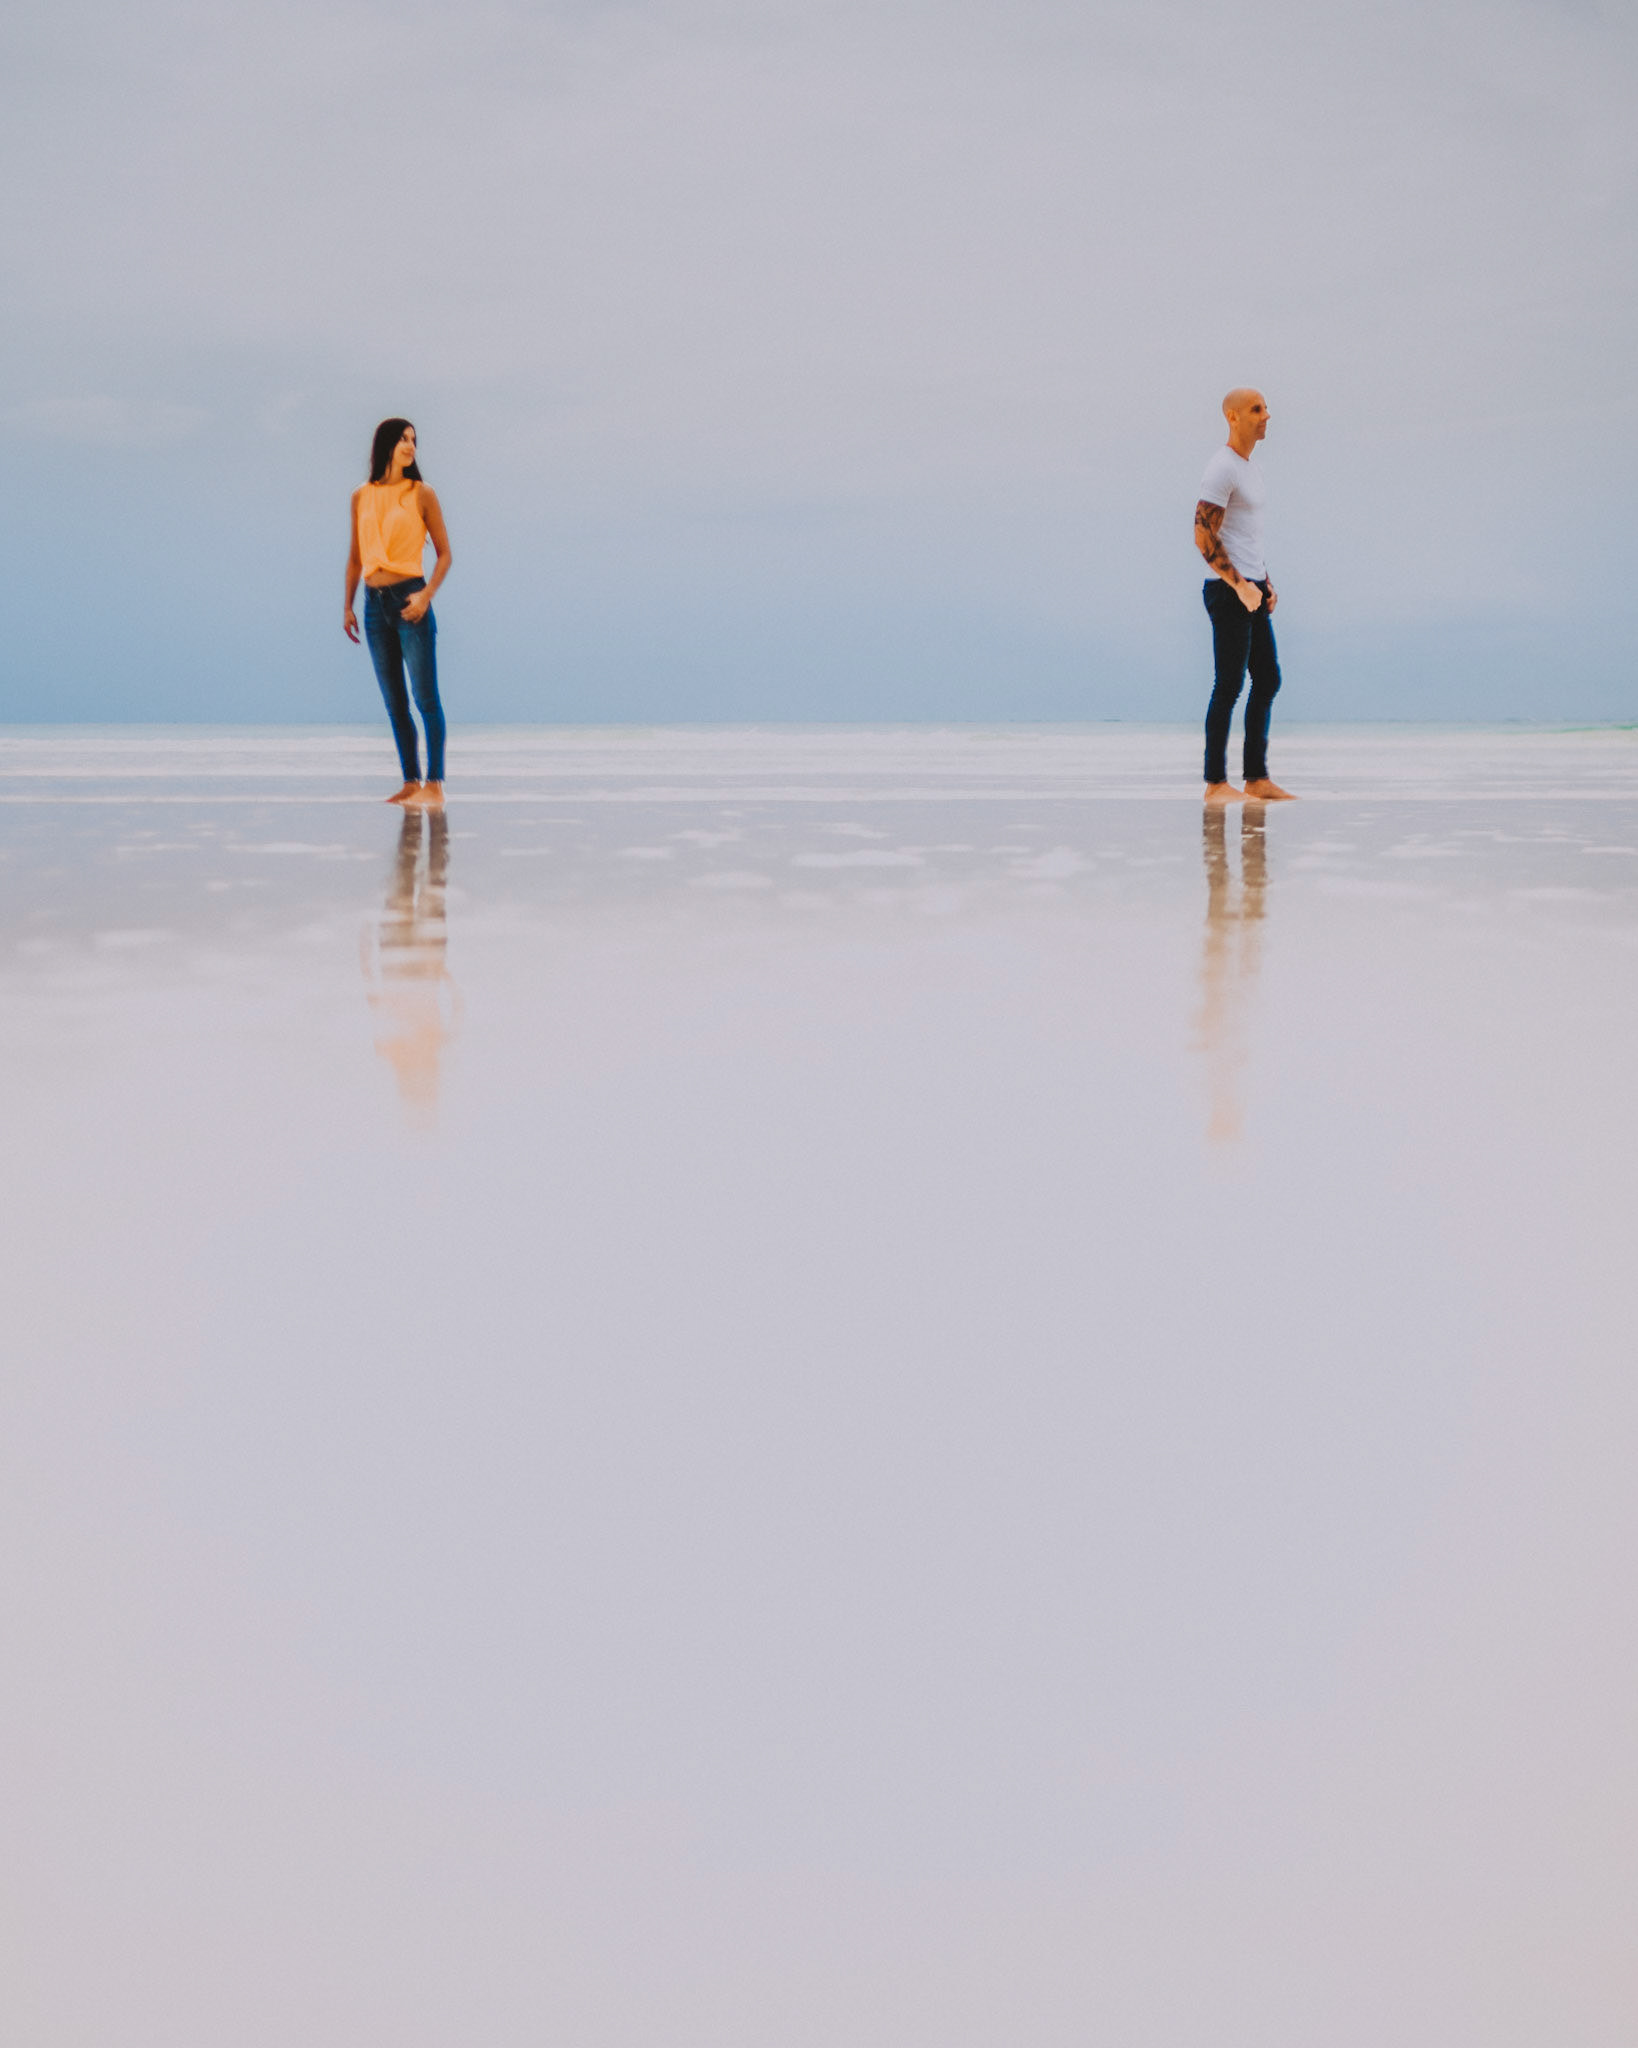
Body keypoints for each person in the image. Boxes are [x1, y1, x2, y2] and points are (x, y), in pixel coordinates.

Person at [1193, 389, 1295, 804]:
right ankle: (1215, 785)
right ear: (1233, 417)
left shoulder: (1250, 469)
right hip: (1228, 590)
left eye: (1266, 407)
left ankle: (1256, 779)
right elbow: (1203, 535)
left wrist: (1264, 581)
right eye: (1257, 409)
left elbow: (1244, 535)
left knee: (1268, 679)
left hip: (1251, 589)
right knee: (1230, 685)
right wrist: (1239, 584)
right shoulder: (1221, 468)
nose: (1266, 415)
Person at [345, 418, 453, 807]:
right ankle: (410, 782)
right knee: (394, 701)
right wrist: (347, 606)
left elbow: (445, 555)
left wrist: (425, 596)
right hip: (373, 607)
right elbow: (356, 557)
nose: (411, 446)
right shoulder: (361, 496)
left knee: (425, 697)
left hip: (411, 600)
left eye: (414, 440)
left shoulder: (422, 493)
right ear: (387, 445)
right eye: (404, 439)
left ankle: (435, 785)